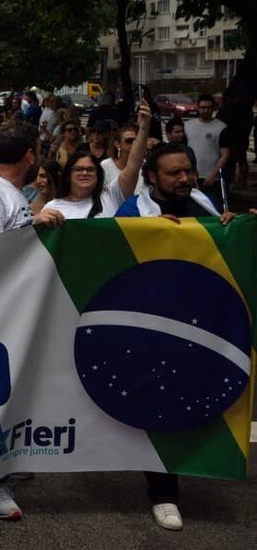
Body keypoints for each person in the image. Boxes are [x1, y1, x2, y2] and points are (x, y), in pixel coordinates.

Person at [114, 143, 235, 532]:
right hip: (153, 328)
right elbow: (109, 252)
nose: (184, 179)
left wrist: (231, 227)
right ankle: (163, 493)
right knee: (158, 405)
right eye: (174, 173)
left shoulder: (204, 204)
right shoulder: (133, 211)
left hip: (202, 323)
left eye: (188, 171)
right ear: (152, 177)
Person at [0, 124, 63, 522]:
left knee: (13, 393)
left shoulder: (10, 193)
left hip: (15, 309)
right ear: (29, 155)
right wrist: (32, 225)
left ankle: (5, 463)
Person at [44, 103, 151, 219]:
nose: (85, 173)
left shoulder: (111, 197)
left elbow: (133, 166)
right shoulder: (52, 208)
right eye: (79, 169)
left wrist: (143, 128)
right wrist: (37, 221)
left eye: (90, 170)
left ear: (98, 175)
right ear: (68, 175)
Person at [183, 94, 229, 201]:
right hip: (190, 176)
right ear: (198, 108)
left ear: (214, 108)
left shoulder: (221, 127)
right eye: (203, 107)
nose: (206, 110)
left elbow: (225, 154)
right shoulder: (187, 126)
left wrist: (213, 175)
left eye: (209, 107)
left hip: (211, 177)